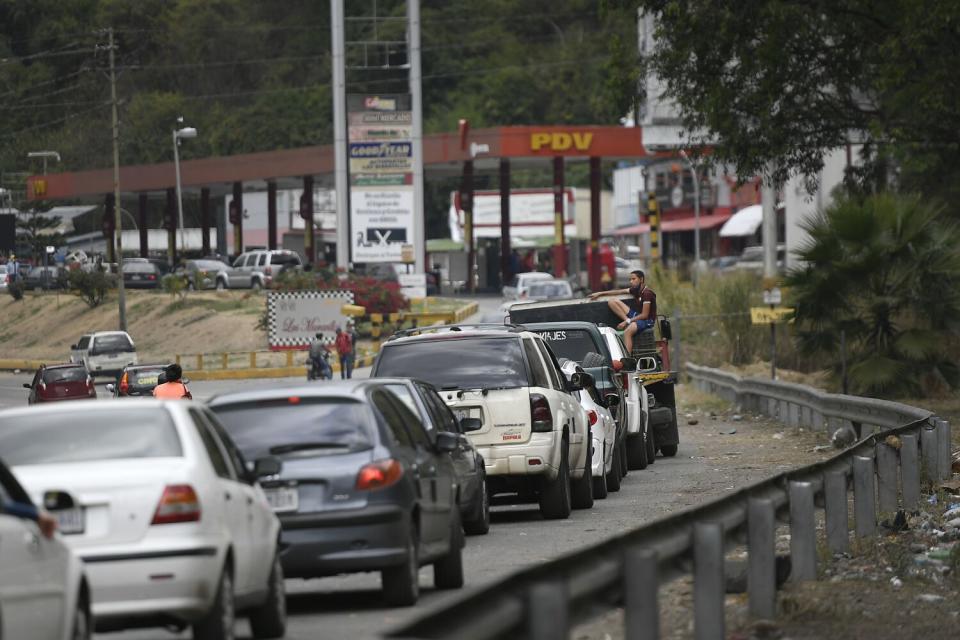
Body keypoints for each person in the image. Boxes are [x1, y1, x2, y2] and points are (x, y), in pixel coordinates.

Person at [588, 269, 657, 354]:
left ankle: (627, 359)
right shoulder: (636, 290)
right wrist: (600, 293)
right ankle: (627, 322)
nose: (631, 281)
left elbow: (645, 315)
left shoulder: (647, 293)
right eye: (630, 279)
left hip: (647, 320)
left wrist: (626, 321)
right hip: (638, 316)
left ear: (641, 279)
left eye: (633, 279)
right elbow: (619, 291)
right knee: (612, 301)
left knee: (627, 332)